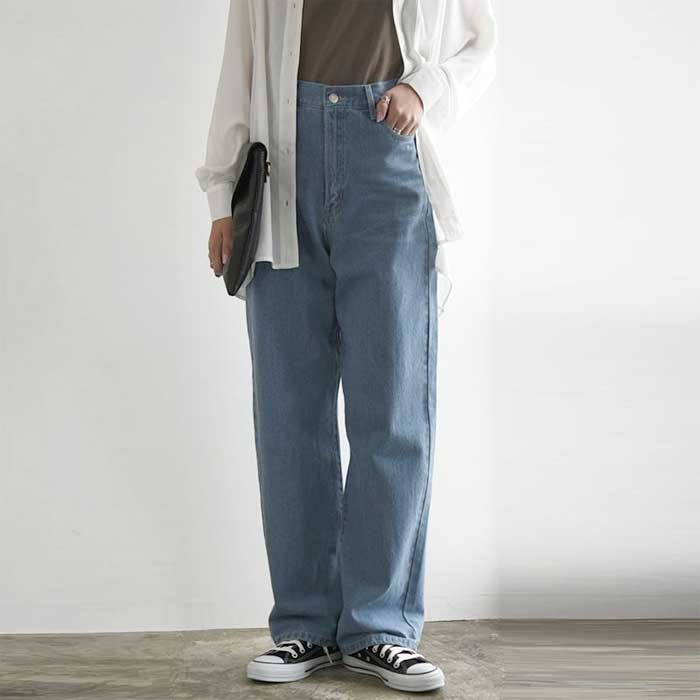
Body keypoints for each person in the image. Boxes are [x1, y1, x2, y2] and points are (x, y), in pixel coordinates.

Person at [196, 0, 496, 693]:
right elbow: (240, 64)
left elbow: (480, 46)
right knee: (288, 414)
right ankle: (305, 624)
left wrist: (425, 87)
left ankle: (381, 628)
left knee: (392, 409)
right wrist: (220, 195)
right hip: (280, 171)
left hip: (387, 157)